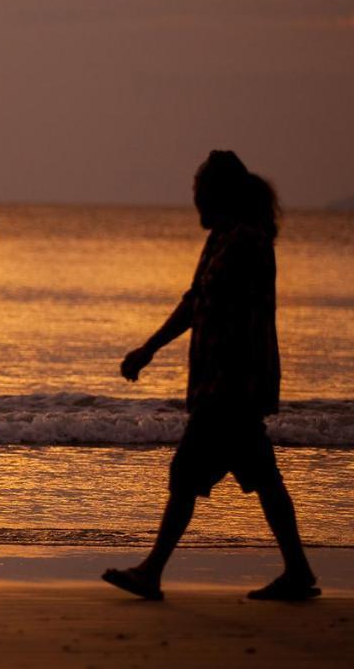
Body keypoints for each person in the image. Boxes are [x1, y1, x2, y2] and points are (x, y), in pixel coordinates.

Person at [103, 150, 319, 601]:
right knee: (262, 475)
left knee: (187, 474)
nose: (195, 202)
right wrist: (149, 349)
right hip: (223, 383)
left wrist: (153, 350)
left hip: (231, 384)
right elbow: (193, 301)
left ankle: (152, 572)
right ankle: (297, 571)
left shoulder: (246, 241)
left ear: (218, 195)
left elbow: (216, 308)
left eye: (200, 193)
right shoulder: (224, 236)